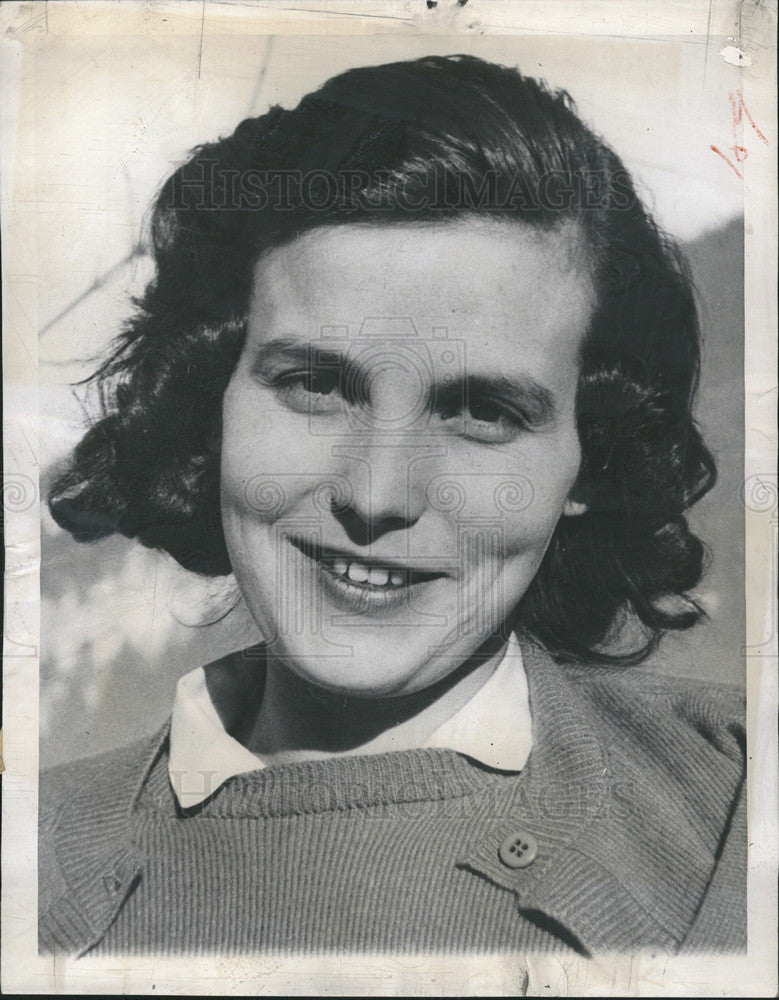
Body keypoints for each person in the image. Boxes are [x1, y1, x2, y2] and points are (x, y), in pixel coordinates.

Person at [39, 54, 745, 956]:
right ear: (210, 405)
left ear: (588, 463)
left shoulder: (732, 811)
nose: (376, 496)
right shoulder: (33, 859)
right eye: (314, 385)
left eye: (483, 411)